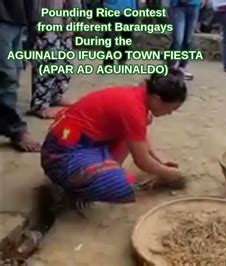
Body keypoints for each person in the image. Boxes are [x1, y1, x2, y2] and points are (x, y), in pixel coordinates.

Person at [41, 69, 187, 208]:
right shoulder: (133, 108)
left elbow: (138, 134)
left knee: (136, 128)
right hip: (60, 154)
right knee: (119, 184)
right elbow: (142, 161)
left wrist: (159, 159)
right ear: (157, 99)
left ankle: (102, 168)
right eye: (171, 109)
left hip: (81, 141)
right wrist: (171, 174)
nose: (170, 113)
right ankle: (72, 189)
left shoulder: (139, 95)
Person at [28, 0, 81, 119]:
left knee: (65, 61)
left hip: (65, 21)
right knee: (48, 60)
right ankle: (40, 104)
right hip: (47, 20)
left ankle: (56, 95)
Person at [0, 0, 41, 152]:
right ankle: (14, 128)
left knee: (15, 71)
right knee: (7, 75)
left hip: (17, 18)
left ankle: (11, 123)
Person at [168, 0, 204, 80]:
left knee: (188, 40)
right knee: (178, 39)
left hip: (194, 5)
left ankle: (182, 67)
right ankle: (171, 68)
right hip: (177, 6)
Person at [102, 0, 139, 65]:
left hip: (130, 11)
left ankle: (122, 59)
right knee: (110, 37)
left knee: (127, 37)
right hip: (113, 10)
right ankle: (108, 61)